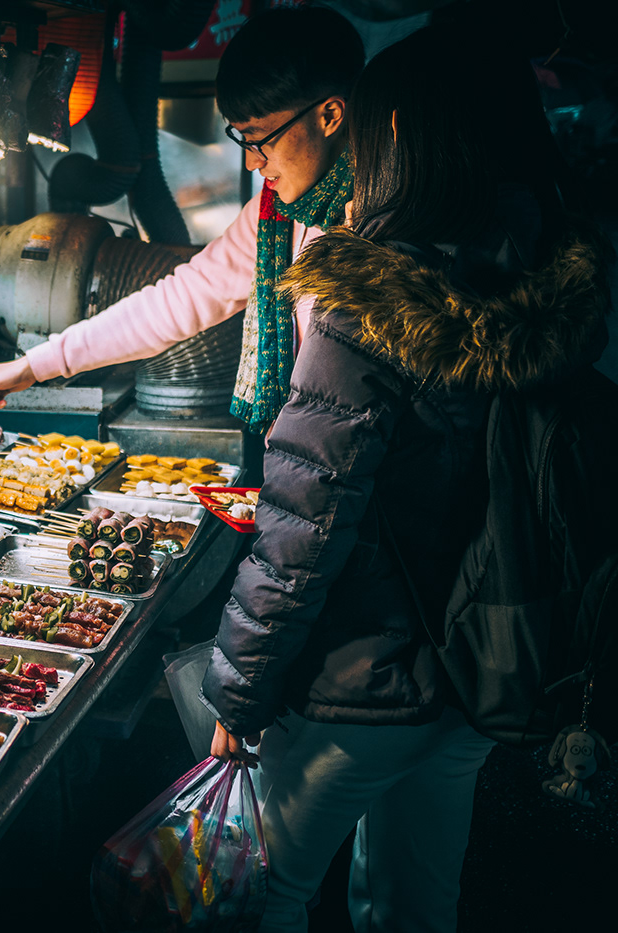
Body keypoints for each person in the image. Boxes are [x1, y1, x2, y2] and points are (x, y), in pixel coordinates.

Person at [199, 23, 611, 933]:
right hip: (482, 676)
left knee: (255, 894)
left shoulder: (363, 305)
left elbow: (302, 531)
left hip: (362, 684)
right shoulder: (540, 285)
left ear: (398, 140)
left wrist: (240, 689)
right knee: (416, 907)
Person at [0, 6, 363, 432]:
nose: (251, 163)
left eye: (258, 139)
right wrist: (34, 366)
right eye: (241, 139)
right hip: (295, 460)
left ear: (329, 116)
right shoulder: (273, 217)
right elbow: (176, 301)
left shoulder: (383, 222)